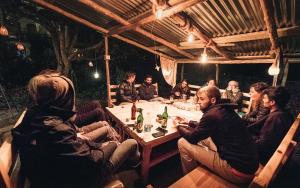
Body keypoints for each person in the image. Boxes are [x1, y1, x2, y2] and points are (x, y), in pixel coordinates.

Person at [12, 74, 140, 188]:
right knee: (131, 142)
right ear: (61, 99)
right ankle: (133, 167)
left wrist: (94, 145)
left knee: (108, 136)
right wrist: (111, 144)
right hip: (81, 180)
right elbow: (93, 161)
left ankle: (125, 159)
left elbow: (72, 148)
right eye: (69, 96)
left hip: (61, 172)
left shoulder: (38, 115)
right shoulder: (55, 129)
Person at [176, 86, 259, 185]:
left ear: (213, 100)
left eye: (202, 99)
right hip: (249, 163)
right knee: (205, 138)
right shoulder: (224, 108)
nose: (198, 102)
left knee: (182, 142)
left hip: (237, 171)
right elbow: (206, 126)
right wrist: (188, 122)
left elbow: (192, 138)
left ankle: (190, 179)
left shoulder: (212, 114)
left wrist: (177, 126)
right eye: (198, 98)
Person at [250, 86, 293, 164]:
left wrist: (245, 137)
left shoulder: (276, 118)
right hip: (270, 152)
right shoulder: (285, 113)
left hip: (262, 158)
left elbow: (263, 145)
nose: (262, 100)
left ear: (272, 102)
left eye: (265, 98)